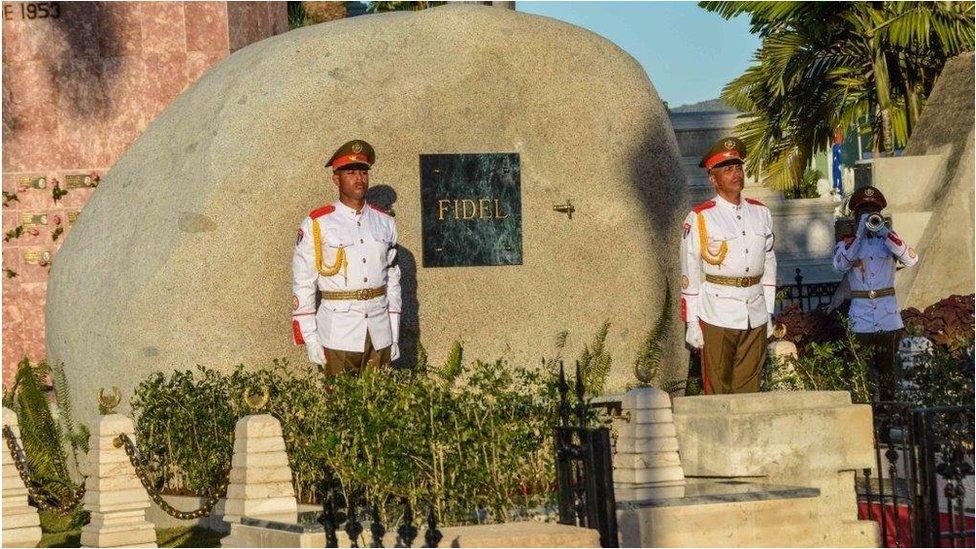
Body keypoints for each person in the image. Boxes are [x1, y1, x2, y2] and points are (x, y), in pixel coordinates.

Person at [291, 140, 402, 374]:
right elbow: (303, 283)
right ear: (336, 178)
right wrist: (310, 337)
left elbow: (392, 280)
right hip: (337, 334)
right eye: (350, 173)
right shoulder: (318, 223)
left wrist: (394, 331)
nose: (359, 179)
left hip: (379, 333)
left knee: (379, 406)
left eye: (363, 172)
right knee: (340, 407)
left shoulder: (385, 222)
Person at [680, 137, 777, 394]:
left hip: (754, 311)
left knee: (750, 391)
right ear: (713, 179)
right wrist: (691, 322)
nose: (736, 174)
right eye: (728, 169)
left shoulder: (761, 212)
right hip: (717, 313)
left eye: (738, 168)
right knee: (718, 392)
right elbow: (689, 271)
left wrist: (768, 311)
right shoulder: (701, 217)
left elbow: (768, 264)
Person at [832, 186, 918, 401]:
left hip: (888, 319)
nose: (869, 214)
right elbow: (841, 265)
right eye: (864, 211)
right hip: (860, 319)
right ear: (855, 216)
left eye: (873, 211)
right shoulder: (848, 244)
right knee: (859, 375)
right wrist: (859, 236)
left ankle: (890, 419)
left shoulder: (889, 241)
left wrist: (886, 232)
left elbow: (911, 259)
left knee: (888, 374)